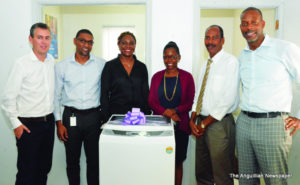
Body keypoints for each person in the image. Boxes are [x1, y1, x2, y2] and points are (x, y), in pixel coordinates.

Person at [237, 7, 300, 185]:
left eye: (254, 22)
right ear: (240, 27)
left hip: (272, 125)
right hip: (244, 123)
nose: (249, 27)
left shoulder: (284, 49)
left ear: (263, 24)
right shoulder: (243, 55)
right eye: (244, 23)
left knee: (275, 181)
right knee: (246, 180)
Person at [1, 23, 55, 185]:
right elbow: (7, 98)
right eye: (39, 37)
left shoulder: (51, 61)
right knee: (27, 172)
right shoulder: (21, 64)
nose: (44, 42)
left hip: (48, 124)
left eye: (47, 38)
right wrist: (15, 124)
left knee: (44, 168)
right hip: (28, 126)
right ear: (31, 39)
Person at [54, 29, 105, 185]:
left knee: (94, 161)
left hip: (93, 118)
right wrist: (59, 123)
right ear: (75, 41)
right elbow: (55, 96)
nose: (86, 45)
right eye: (83, 41)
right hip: (70, 118)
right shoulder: (62, 66)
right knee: (72, 161)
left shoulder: (101, 64)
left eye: (90, 42)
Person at [189, 25, 239, 185]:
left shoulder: (230, 62)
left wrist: (204, 124)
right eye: (207, 37)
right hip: (201, 123)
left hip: (219, 124)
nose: (210, 42)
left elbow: (228, 99)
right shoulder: (205, 64)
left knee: (222, 174)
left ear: (222, 41)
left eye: (214, 37)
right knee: (202, 173)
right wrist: (193, 119)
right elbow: (199, 94)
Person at [148, 41, 195, 185]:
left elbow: (189, 101)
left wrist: (175, 111)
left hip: (180, 127)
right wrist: (166, 112)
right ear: (163, 58)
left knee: (177, 163)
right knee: (160, 162)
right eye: (166, 57)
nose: (169, 61)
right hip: (159, 127)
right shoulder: (157, 77)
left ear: (179, 57)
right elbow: (151, 101)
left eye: (173, 57)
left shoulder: (187, 77)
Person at [101, 31, 151, 121]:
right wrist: (106, 118)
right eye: (124, 43)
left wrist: (147, 115)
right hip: (116, 115)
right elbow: (104, 94)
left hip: (138, 115)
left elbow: (146, 93)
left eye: (131, 43)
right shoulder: (110, 66)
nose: (128, 46)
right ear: (118, 45)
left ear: (135, 45)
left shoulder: (142, 67)